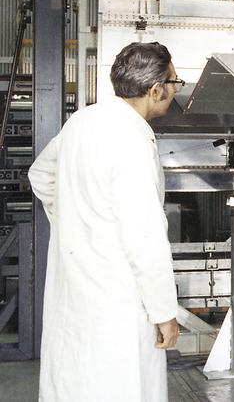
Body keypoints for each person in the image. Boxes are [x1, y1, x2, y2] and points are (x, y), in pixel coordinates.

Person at [28, 42, 184, 401]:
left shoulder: (84, 119)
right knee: (119, 386)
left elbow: (40, 175)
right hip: (118, 301)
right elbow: (145, 238)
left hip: (78, 291)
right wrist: (165, 313)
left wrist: (77, 223)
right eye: (175, 83)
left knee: (77, 383)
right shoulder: (131, 138)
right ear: (155, 89)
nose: (175, 91)